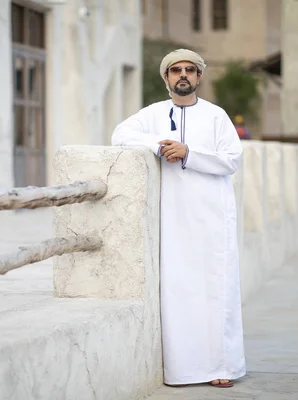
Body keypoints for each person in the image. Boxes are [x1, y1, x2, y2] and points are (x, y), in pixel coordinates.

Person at [111, 49, 245, 388]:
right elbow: (119, 136)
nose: (182, 75)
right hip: (172, 219)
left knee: (216, 290)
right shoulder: (152, 114)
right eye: (175, 70)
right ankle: (183, 370)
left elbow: (231, 159)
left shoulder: (216, 116)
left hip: (212, 216)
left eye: (189, 70)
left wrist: (189, 153)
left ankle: (221, 367)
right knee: (179, 292)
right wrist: (159, 144)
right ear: (166, 78)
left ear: (199, 77)